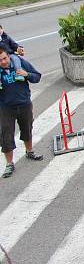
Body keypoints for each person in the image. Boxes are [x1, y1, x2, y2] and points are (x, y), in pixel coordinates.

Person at [0, 50, 42, 178]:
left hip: (24, 104)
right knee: (5, 135)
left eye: (4, 58)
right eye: (0, 60)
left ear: (8, 56)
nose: (3, 62)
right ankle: (9, 164)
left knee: (27, 128)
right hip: (5, 108)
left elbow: (37, 77)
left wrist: (26, 74)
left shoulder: (20, 63)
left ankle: (29, 151)